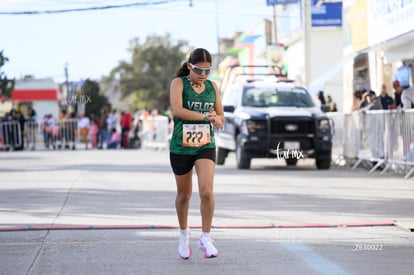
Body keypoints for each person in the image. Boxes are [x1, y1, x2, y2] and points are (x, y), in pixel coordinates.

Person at [169, 48, 224, 260]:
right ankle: (184, 236)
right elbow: (178, 110)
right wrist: (205, 116)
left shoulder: (213, 87)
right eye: (198, 70)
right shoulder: (178, 83)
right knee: (184, 196)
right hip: (181, 147)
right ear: (189, 66)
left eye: (207, 70)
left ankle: (206, 237)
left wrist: (218, 119)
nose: (203, 74)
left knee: (207, 191)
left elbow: (220, 115)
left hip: (205, 145)